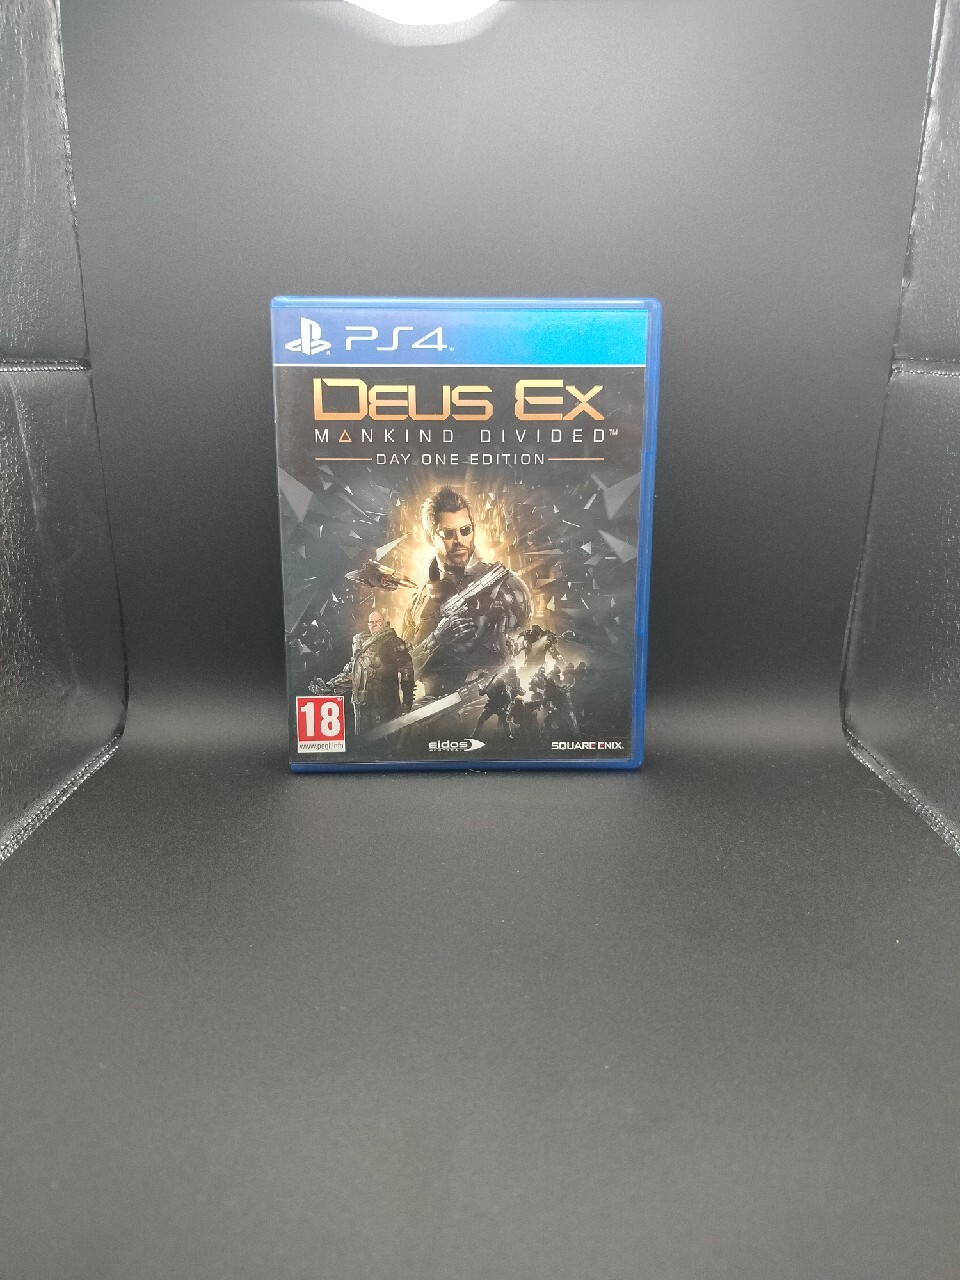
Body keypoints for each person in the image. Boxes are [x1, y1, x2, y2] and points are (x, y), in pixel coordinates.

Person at [402, 487, 530, 696]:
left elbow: (524, 661)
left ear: (473, 530)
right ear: (429, 538)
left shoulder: (507, 587)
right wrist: (437, 639)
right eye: (447, 533)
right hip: (432, 711)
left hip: (489, 704)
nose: (459, 540)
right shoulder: (418, 602)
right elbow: (403, 674)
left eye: (465, 530)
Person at [314, 609, 414, 736]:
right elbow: (353, 674)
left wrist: (406, 704)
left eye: (378, 621)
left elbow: (407, 672)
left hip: (385, 706)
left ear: (384, 622)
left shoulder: (393, 643)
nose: (374, 624)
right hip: (362, 708)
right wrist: (330, 687)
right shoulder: (362, 644)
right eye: (371, 622)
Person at [474, 674, 513, 738]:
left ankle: (508, 735)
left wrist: (506, 710)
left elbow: (508, 702)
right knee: (481, 719)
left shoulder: (506, 691)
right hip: (491, 706)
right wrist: (482, 691)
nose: (500, 689)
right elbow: (481, 693)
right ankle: (476, 734)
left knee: (505, 721)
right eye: (499, 687)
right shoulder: (491, 687)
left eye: (501, 687)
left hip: (501, 707)